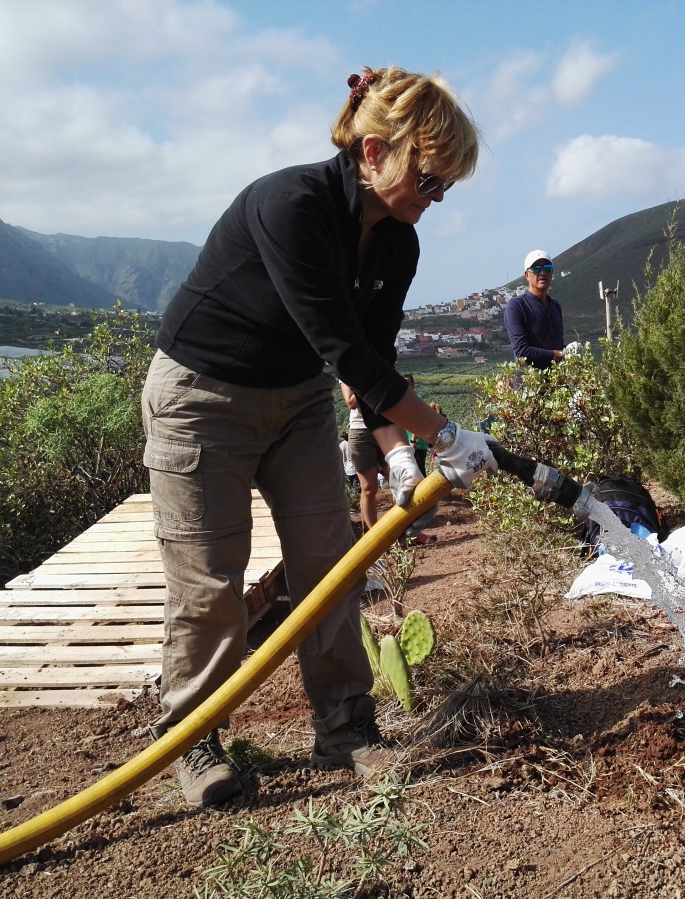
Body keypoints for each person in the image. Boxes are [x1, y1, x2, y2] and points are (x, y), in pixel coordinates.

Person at [141, 66, 498, 808]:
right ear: (375, 153)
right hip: (202, 398)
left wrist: (402, 451)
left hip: (298, 399)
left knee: (327, 564)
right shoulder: (290, 204)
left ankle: (345, 727)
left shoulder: (397, 243)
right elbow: (345, 346)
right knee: (210, 580)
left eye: (446, 189)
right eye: (429, 181)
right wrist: (444, 430)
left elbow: (373, 365)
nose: (434, 202)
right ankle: (192, 738)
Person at [504, 250, 565, 369]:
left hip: (557, 383)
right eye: (537, 269)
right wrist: (556, 354)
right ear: (527, 275)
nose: (542, 273)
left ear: (552, 273)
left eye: (547, 268)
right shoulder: (517, 306)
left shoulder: (555, 306)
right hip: (530, 384)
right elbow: (522, 351)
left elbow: (559, 344)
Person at [342, 381, 385, 531]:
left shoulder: (382, 361)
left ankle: (403, 531)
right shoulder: (345, 370)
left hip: (387, 427)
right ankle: (374, 537)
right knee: (368, 488)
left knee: (399, 483)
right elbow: (351, 402)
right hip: (360, 432)